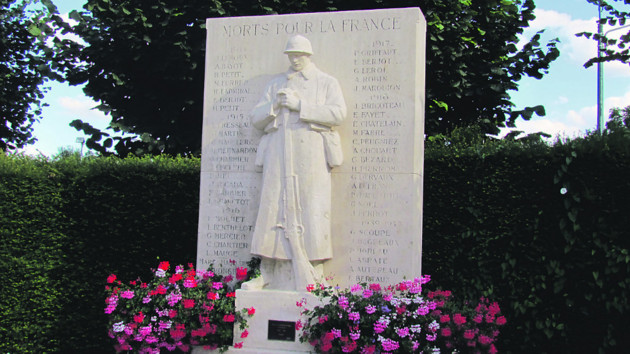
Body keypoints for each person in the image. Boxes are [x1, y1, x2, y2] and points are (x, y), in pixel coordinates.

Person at [244, 35, 346, 291]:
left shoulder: (325, 82)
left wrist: (300, 105)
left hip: (311, 155)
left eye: (299, 54)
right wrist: (275, 104)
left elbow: (337, 113)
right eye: (291, 54)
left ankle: (315, 271)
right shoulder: (276, 84)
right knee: (272, 207)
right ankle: (266, 271)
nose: (295, 59)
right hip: (279, 153)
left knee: (313, 209)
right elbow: (256, 118)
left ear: (309, 55)